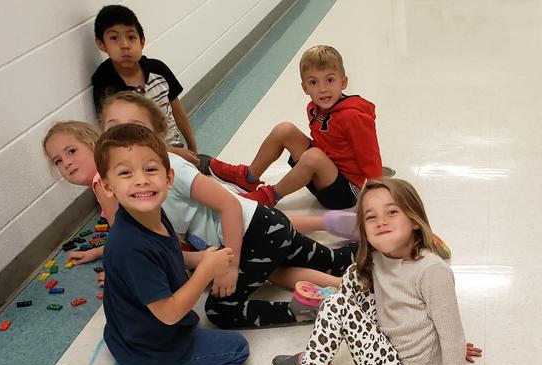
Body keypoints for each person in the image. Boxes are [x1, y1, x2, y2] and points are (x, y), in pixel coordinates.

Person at [238, 178, 482, 365]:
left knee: (337, 306)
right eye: (371, 217)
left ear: (414, 219)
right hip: (391, 341)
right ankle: (317, 363)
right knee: (355, 275)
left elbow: (452, 336)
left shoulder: (432, 271)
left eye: (392, 212)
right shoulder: (379, 258)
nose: (381, 221)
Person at [101, 91, 355, 328]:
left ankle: (310, 308)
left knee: (221, 310)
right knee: (330, 263)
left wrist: (230, 267)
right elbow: (152, 245)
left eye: (135, 127)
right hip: (263, 227)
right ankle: (347, 271)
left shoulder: (171, 170)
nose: (125, 136)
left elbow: (230, 205)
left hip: (257, 232)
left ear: (159, 135)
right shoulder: (133, 190)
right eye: (115, 127)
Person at [87, 122, 248, 365]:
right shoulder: (131, 246)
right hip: (156, 349)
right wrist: (205, 271)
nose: (141, 181)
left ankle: (126, 361)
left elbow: (166, 257)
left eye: (150, 170)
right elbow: (169, 314)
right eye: (126, 173)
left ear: (168, 177)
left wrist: (200, 258)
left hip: (127, 337)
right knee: (237, 349)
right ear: (108, 187)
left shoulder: (150, 216)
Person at [209, 45, 381, 209]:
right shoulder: (313, 108)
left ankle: (269, 196)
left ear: (343, 82)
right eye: (313, 82)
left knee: (313, 156)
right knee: (284, 130)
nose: (322, 89)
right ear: (305, 88)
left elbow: (370, 157)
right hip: (321, 175)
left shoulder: (353, 116)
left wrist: (379, 194)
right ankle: (248, 178)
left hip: (345, 193)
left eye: (330, 80)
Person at [91, 4, 204, 167]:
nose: (125, 45)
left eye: (131, 37)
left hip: (175, 148)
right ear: (101, 44)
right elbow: (118, 137)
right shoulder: (105, 84)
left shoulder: (158, 69)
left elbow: (177, 110)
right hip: (137, 158)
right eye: (114, 38)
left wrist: (192, 147)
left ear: (142, 41)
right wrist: (170, 152)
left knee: (210, 168)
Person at [43, 121, 116, 264]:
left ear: (93, 144)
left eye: (71, 151)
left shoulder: (102, 183)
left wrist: (117, 272)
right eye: (58, 161)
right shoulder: (108, 173)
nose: (66, 163)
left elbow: (128, 237)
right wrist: (98, 252)